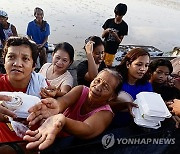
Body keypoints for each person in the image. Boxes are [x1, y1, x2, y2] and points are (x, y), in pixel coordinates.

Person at [23, 69, 123, 150]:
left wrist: (62, 120)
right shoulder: (81, 90)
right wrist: (55, 105)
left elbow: (87, 128)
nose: (97, 87)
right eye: (97, 81)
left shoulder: (106, 113)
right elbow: (62, 102)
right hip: (50, 130)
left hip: (70, 146)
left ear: (112, 97)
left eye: (105, 87)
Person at [0, 36, 47, 143]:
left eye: (25, 59)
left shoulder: (42, 87)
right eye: (11, 57)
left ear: (34, 65)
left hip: (34, 142)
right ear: (4, 61)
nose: (17, 64)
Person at [111, 48, 152, 127]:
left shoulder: (147, 86)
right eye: (139, 64)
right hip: (112, 126)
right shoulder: (115, 82)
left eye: (146, 65)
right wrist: (124, 105)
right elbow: (103, 104)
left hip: (135, 128)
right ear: (128, 64)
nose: (143, 69)